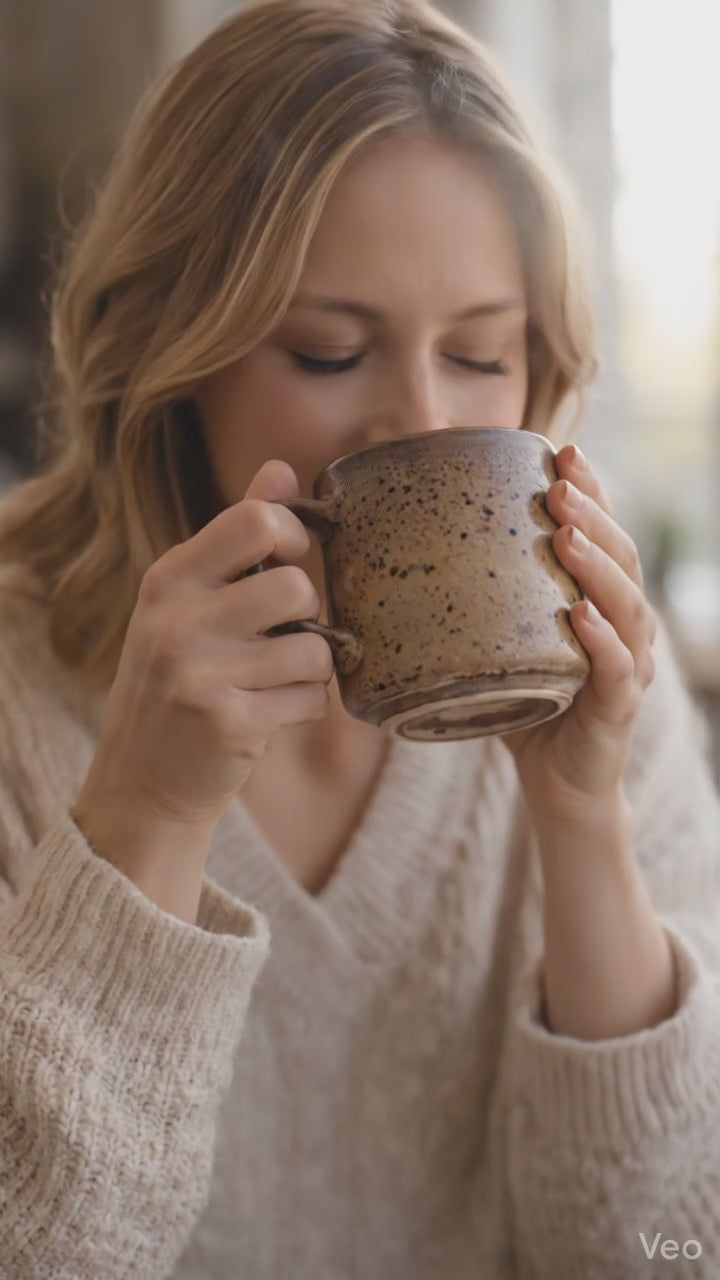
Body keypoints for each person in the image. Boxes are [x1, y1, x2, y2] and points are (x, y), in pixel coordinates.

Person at [0, 1, 718, 1276]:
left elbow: (660, 1251)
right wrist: (146, 821)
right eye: (331, 349)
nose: (422, 420)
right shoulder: (17, 690)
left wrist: (582, 823)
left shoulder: (609, 685)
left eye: (481, 354)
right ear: (177, 356)